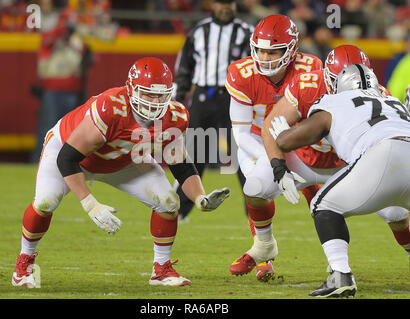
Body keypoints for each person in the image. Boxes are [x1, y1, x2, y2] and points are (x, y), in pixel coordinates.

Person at [11, 57, 230, 288]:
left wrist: (200, 199)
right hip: (70, 152)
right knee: (46, 202)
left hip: (122, 159)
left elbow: (180, 164)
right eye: (148, 94)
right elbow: (67, 158)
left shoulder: (174, 116)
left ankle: (161, 269)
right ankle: (24, 262)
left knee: (168, 202)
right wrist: (90, 204)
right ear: (131, 89)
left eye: (160, 95)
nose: (155, 102)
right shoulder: (110, 108)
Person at [262, 44, 410, 267]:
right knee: (397, 213)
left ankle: (340, 273)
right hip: (396, 150)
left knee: (323, 206)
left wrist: (283, 135)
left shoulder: (333, 100)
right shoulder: (390, 100)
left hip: (374, 160)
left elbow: (291, 138)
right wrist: (279, 169)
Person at [225, 14, 324, 281]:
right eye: (261, 50)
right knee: (255, 189)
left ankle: (336, 259)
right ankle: (263, 254)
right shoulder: (241, 74)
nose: (266, 57)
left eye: (273, 51)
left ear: (291, 49)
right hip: (256, 141)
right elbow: (241, 133)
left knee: (322, 198)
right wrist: (273, 161)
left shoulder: (310, 68)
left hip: (298, 139)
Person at [173, 0, 254, 223]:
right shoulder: (199, 31)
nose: (225, 7)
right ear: (213, 4)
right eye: (221, 2)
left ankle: (256, 210)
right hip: (203, 95)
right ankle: (180, 210)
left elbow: (257, 69)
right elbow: (184, 67)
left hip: (235, 97)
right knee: (194, 153)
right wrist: (179, 99)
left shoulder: (247, 32)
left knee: (243, 151)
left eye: (229, 2)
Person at [31, 7, 93, 163]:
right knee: (48, 130)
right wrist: (62, 29)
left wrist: (75, 35)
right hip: (52, 91)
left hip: (72, 92)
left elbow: (89, 56)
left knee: (69, 133)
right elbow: (47, 42)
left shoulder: (77, 42)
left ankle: (65, 163)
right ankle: (40, 161)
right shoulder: (51, 38)